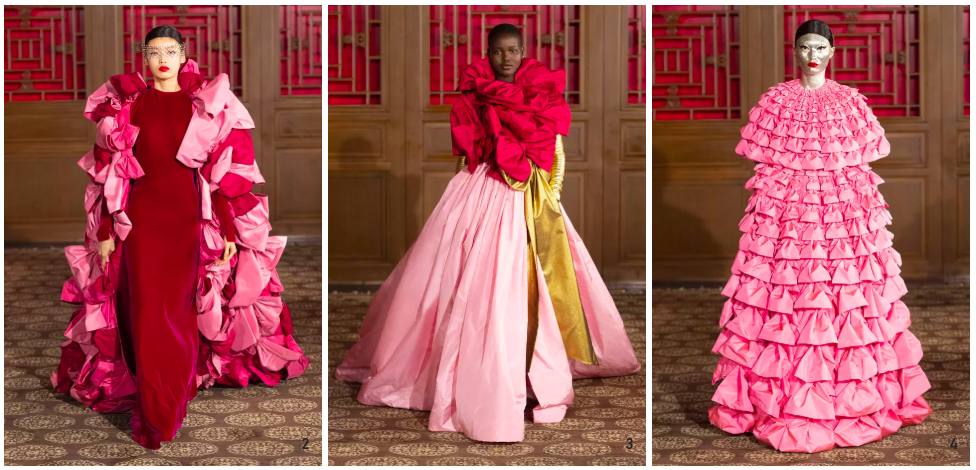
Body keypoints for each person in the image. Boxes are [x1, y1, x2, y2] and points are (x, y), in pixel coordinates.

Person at [335, 23, 641, 443]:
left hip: (528, 192)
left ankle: (530, 369)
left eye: (513, 50)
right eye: (498, 52)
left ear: (523, 51)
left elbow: (552, 142)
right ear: (488, 54)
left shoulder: (540, 87)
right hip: (483, 187)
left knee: (528, 277)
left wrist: (545, 183)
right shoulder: (474, 92)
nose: (506, 58)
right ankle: (476, 373)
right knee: (471, 276)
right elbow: (467, 146)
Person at [52, 25, 310, 449]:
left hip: (189, 224)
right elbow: (107, 176)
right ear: (144, 57)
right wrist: (104, 231)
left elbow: (224, 175)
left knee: (180, 315)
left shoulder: (205, 106)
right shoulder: (126, 108)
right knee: (147, 315)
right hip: (140, 226)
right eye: (154, 52)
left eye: (171, 51)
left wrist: (227, 229)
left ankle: (171, 397)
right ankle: (157, 413)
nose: (162, 59)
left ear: (184, 54)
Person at [709, 19, 932, 453]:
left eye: (821, 47)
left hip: (841, 212)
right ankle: (777, 402)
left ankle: (853, 399)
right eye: (805, 46)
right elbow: (766, 162)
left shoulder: (850, 101)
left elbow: (860, 165)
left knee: (848, 294)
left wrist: (853, 207)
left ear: (832, 53)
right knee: (785, 294)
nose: (813, 54)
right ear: (793, 51)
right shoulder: (775, 99)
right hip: (787, 215)